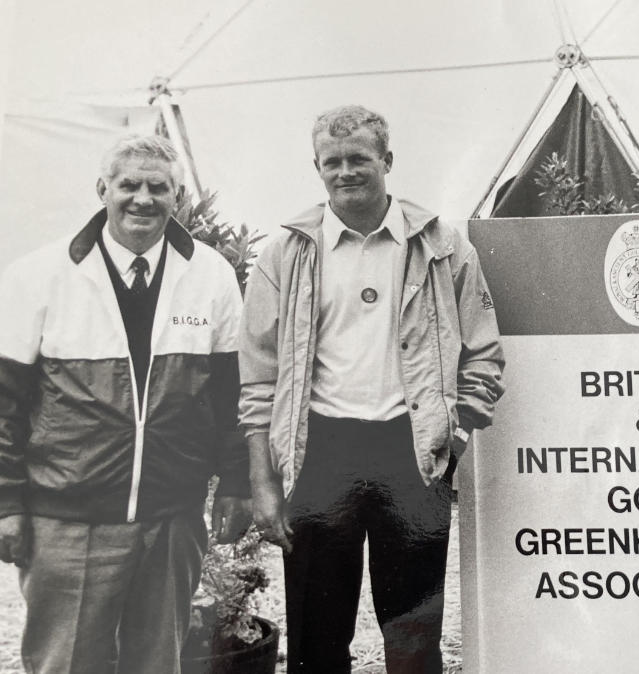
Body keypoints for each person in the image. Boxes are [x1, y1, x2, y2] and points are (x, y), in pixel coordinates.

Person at [239, 104, 505, 672]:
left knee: (412, 636)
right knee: (316, 635)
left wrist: (452, 439)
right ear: (317, 167)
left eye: (359, 157)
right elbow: (258, 379)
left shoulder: (441, 246)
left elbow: (483, 355)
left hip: (411, 454)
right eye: (331, 161)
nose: (345, 171)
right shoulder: (285, 254)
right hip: (319, 454)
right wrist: (264, 481)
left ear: (387, 160)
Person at [0, 134, 251, 673]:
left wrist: (236, 484)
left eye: (158, 187)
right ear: (102, 189)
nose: (142, 199)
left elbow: (230, 398)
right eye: (128, 185)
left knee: (157, 664)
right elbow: (4, 405)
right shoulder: (38, 276)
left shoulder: (210, 276)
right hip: (68, 516)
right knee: (66, 664)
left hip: (172, 518)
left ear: (177, 195)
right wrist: (7, 503)